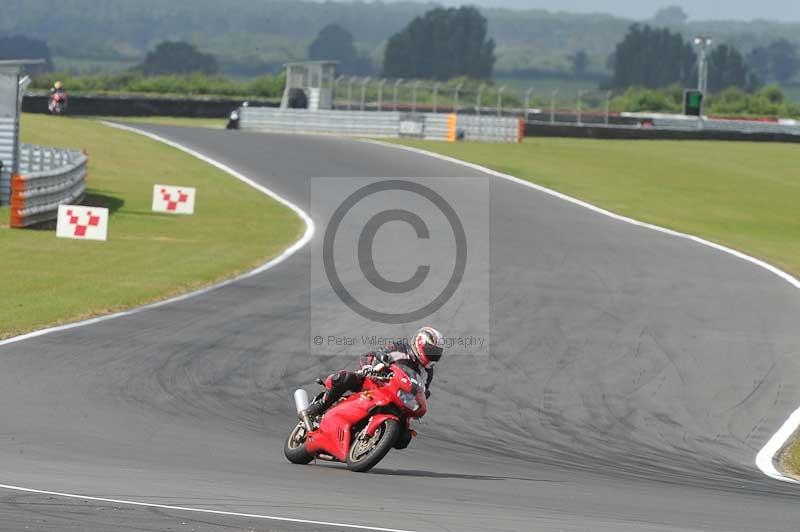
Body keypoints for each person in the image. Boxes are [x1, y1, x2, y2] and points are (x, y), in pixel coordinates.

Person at [302, 326, 444, 418]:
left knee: (404, 438)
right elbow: (372, 355)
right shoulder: (400, 347)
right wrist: (367, 367)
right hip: (374, 381)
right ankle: (321, 404)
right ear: (420, 343)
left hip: (395, 397)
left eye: (437, 353)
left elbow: (422, 392)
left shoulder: (427, 372)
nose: (433, 355)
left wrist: (422, 399)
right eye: (431, 350)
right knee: (343, 378)